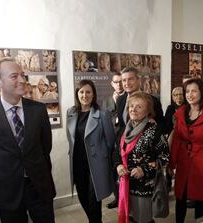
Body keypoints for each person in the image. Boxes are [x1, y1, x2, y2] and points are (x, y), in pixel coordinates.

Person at [0, 57, 56, 223]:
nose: (22, 80)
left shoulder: (38, 110)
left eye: (23, 75)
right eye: (14, 76)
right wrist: (4, 172)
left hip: (39, 185)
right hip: (7, 190)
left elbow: (46, 147)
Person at [169, 78, 203, 222]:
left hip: (202, 162)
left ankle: (199, 220)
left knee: (200, 196)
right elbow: (176, 141)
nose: (189, 94)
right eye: (187, 91)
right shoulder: (180, 113)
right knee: (180, 197)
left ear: (201, 92)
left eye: (193, 91)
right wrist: (171, 163)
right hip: (183, 162)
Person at [113, 92, 169, 223]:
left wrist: (144, 169)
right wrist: (118, 165)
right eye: (131, 106)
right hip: (125, 183)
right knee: (130, 218)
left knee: (143, 219)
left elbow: (165, 157)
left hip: (144, 187)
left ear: (148, 111)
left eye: (139, 106)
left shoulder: (154, 131)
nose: (133, 109)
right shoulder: (123, 130)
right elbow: (116, 152)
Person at [66, 80, 115, 223]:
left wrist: (103, 157)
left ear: (93, 94)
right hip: (77, 163)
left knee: (94, 201)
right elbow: (71, 139)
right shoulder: (71, 112)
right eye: (81, 92)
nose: (85, 95)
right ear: (77, 94)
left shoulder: (102, 114)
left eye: (88, 92)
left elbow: (110, 142)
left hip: (96, 165)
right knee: (83, 197)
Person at [102, 72, 125, 209]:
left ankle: (125, 198)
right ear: (112, 84)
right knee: (113, 171)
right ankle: (117, 198)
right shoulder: (106, 101)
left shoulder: (129, 97)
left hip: (125, 140)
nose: (119, 84)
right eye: (116, 82)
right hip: (111, 141)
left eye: (121, 81)